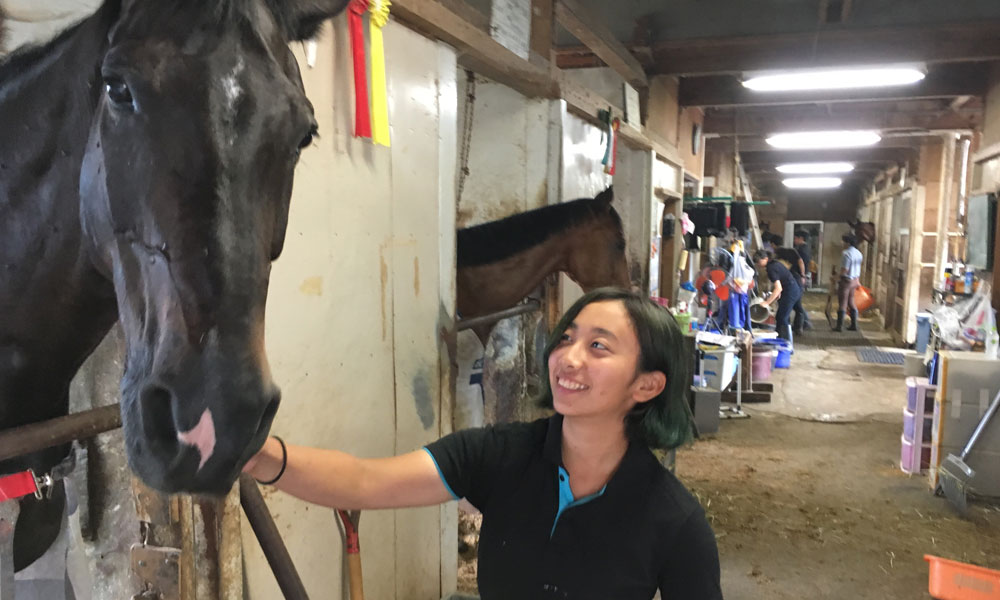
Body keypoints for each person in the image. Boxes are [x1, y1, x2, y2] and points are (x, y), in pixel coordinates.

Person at [244, 288, 724, 599]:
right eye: (566, 339)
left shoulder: (674, 520)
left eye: (598, 346)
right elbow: (364, 482)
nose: (567, 358)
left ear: (647, 386)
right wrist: (262, 457)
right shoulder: (502, 455)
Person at [754, 249, 802, 342]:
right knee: (782, 317)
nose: (757, 264)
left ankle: (785, 343)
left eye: (759, 261)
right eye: (756, 262)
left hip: (790, 291)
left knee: (782, 318)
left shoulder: (771, 269)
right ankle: (782, 340)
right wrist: (778, 293)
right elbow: (782, 279)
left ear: (765, 259)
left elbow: (778, 287)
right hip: (791, 289)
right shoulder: (774, 264)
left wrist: (766, 303)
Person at [834, 233, 864, 332]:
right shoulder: (859, 253)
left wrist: (836, 277)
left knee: (842, 302)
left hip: (846, 281)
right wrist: (858, 281)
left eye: (843, 241)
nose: (841, 243)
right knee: (851, 301)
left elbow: (845, 269)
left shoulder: (846, 253)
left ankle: (839, 326)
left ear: (847, 242)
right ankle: (854, 324)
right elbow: (858, 268)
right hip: (855, 280)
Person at [792, 230, 814, 332]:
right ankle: (802, 323)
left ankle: (804, 323)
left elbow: (801, 263)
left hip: (799, 276)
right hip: (801, 276)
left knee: (797, 302)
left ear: (801, 238)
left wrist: (802, 275)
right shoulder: (805, 248)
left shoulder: (802, 250)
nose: (794, 240)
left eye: (796, 238)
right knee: (797, 301)